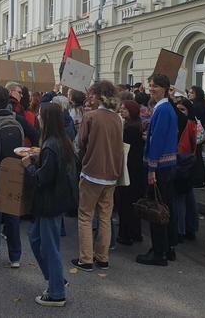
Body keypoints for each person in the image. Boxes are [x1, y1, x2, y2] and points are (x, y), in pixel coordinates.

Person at [0, 86, 39, 271]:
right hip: (15, 170)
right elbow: (35, 136)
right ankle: (15, 256)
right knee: (12, 214)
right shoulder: (18, 119)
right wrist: (26, 155)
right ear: (9, 101)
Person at [22, 103, 77, 307]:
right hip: (54, 201)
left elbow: (42, 178)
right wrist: (39, 157)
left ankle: (56, 293)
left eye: (40, 115)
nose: (37, 117)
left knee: (49, 247)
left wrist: (29, 166)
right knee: (35, 238)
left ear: (46, 119)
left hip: (50, 202)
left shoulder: (51, 145)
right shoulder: (60, 141)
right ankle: (56, 279)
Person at [72, 80, 124, 272]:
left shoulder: (91, 116)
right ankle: (102, 258)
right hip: (111, 173)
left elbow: (81, 144)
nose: (89, 97)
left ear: (99, 95)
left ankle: (86, 259)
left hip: (92, 172)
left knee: (85, 216)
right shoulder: (117, 118)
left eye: (92, 94)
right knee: (105, 216)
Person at [136, 74, 178, 266]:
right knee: (166, 207)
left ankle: (159, 252)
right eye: (150, 85)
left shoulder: (162, 110)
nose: (151, 89)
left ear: (165, 88)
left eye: (155, 86)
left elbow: (158, 140)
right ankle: (167, 248)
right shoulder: (167, 108)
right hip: (167, 165)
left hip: (160, 166)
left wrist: (152, 168)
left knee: (157, 209)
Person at [116, 100, 145, 246]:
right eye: (121, 108)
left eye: (124, 109)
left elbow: (123, 148)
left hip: (129, 168)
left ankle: (126, 234)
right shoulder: (135, 125)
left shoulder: (130, 129)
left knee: (126, 202)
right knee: (132, 202)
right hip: (135, 168)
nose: (121, 111)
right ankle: (135, 232)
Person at [173, 97, 199, 242]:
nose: (180, 112)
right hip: (186, 162)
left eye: (182, 109)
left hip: (183, 163)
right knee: (188, 198)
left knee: (181, 199)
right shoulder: (189, 123)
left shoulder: (190, 124)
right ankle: (190, 228)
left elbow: (195, 144)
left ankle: (181, 230)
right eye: (177, 110)